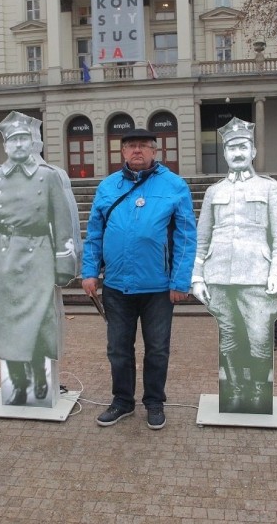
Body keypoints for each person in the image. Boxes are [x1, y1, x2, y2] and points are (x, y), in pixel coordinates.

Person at [0, 111, 80, 406]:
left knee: (39, 321)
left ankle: (41, 379)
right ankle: (16, 381)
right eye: (13, 140)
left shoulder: (48, 176)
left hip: (37, 252)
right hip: (1, 259)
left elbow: (63, 222)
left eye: (23, 139)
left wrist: (64, 263)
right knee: (7, 323)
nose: (18, 145)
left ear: (33, 143)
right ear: (5, 145)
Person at [82, 127, 197, 430]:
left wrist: (180, 281)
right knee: (118, 348)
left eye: (144, 146)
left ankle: (155, 402)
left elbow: (186, 236)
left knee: (157, 348)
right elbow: (94, 233)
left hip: (158, 287)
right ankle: (122, 401)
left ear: (155, 152)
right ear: (121, 152)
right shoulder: (108, 187)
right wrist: (90, 272)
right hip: (117, 285)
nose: (137, 151)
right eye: (131, 146)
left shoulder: (174, 186)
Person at [191, 117, 277, 414]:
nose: (237, 152)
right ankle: (235, 391)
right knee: (229, 339)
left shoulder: (270, 188)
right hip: (219, 274)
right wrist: (197, 277)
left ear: (253, 151)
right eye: (231, 147)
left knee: (260, 338)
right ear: (224, 153)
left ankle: (259, 391)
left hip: (256, 276)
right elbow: (202, 237)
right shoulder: (214, 191)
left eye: (243, 146)